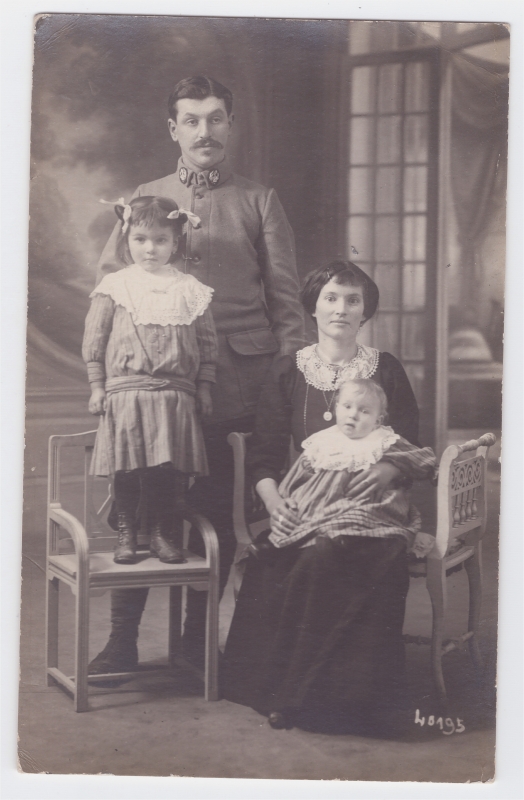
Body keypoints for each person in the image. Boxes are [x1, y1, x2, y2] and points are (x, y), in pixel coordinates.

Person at [91, 75, 304, 672]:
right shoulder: (146, 195)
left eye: (216, 118)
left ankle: (192, 645)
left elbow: (287, 300)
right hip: (152, 389)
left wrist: (286, 380)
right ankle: (121, 642)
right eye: (192, 120)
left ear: (230, 125)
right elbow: (110, 288)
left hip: (236, 382)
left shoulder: (259, 199)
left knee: (212, 510)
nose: (205, 131)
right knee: (141, 507)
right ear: (173, 129)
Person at [221, 260, 428, 735]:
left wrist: (388, 467)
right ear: (313, 307)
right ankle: (291, 694)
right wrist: (276, 503)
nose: (341, 308)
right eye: (332, 298)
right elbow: (265, 456)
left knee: (337, 553)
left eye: (353, 300)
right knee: (300, 556)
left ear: (365, 311)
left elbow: (412, 443)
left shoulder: (386, 369)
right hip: (305, 505)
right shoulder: (289, 370)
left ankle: (350, 701)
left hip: (376, 509)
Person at [83, 195, 218, 670]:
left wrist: (202, 388)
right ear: (127, 239)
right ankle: (128, 532)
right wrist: (98, 388)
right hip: (126, 395)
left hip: (174, 397)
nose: (150, 248)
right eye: (141, 239)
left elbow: (207, 347)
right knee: (128, 471)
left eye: (161, 240)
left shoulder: (191, 289)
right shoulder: (116, 286)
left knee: (165, 473)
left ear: (177, 241)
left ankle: (160, 531)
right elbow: (95, 343)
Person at [249, 378, 436, 558]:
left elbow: (421, 458)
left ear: (377, 421)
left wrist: (398, 468)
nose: (353, 415)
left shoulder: (382, 440)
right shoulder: (323, 441)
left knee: (353, 518)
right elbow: (299, 473)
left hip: (363, 503)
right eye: (347, 406)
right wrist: (285, 498)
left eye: (364, 411)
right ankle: (278, 546)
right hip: (319, 504)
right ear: (337, 408)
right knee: (300, 515)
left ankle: (333, 541)